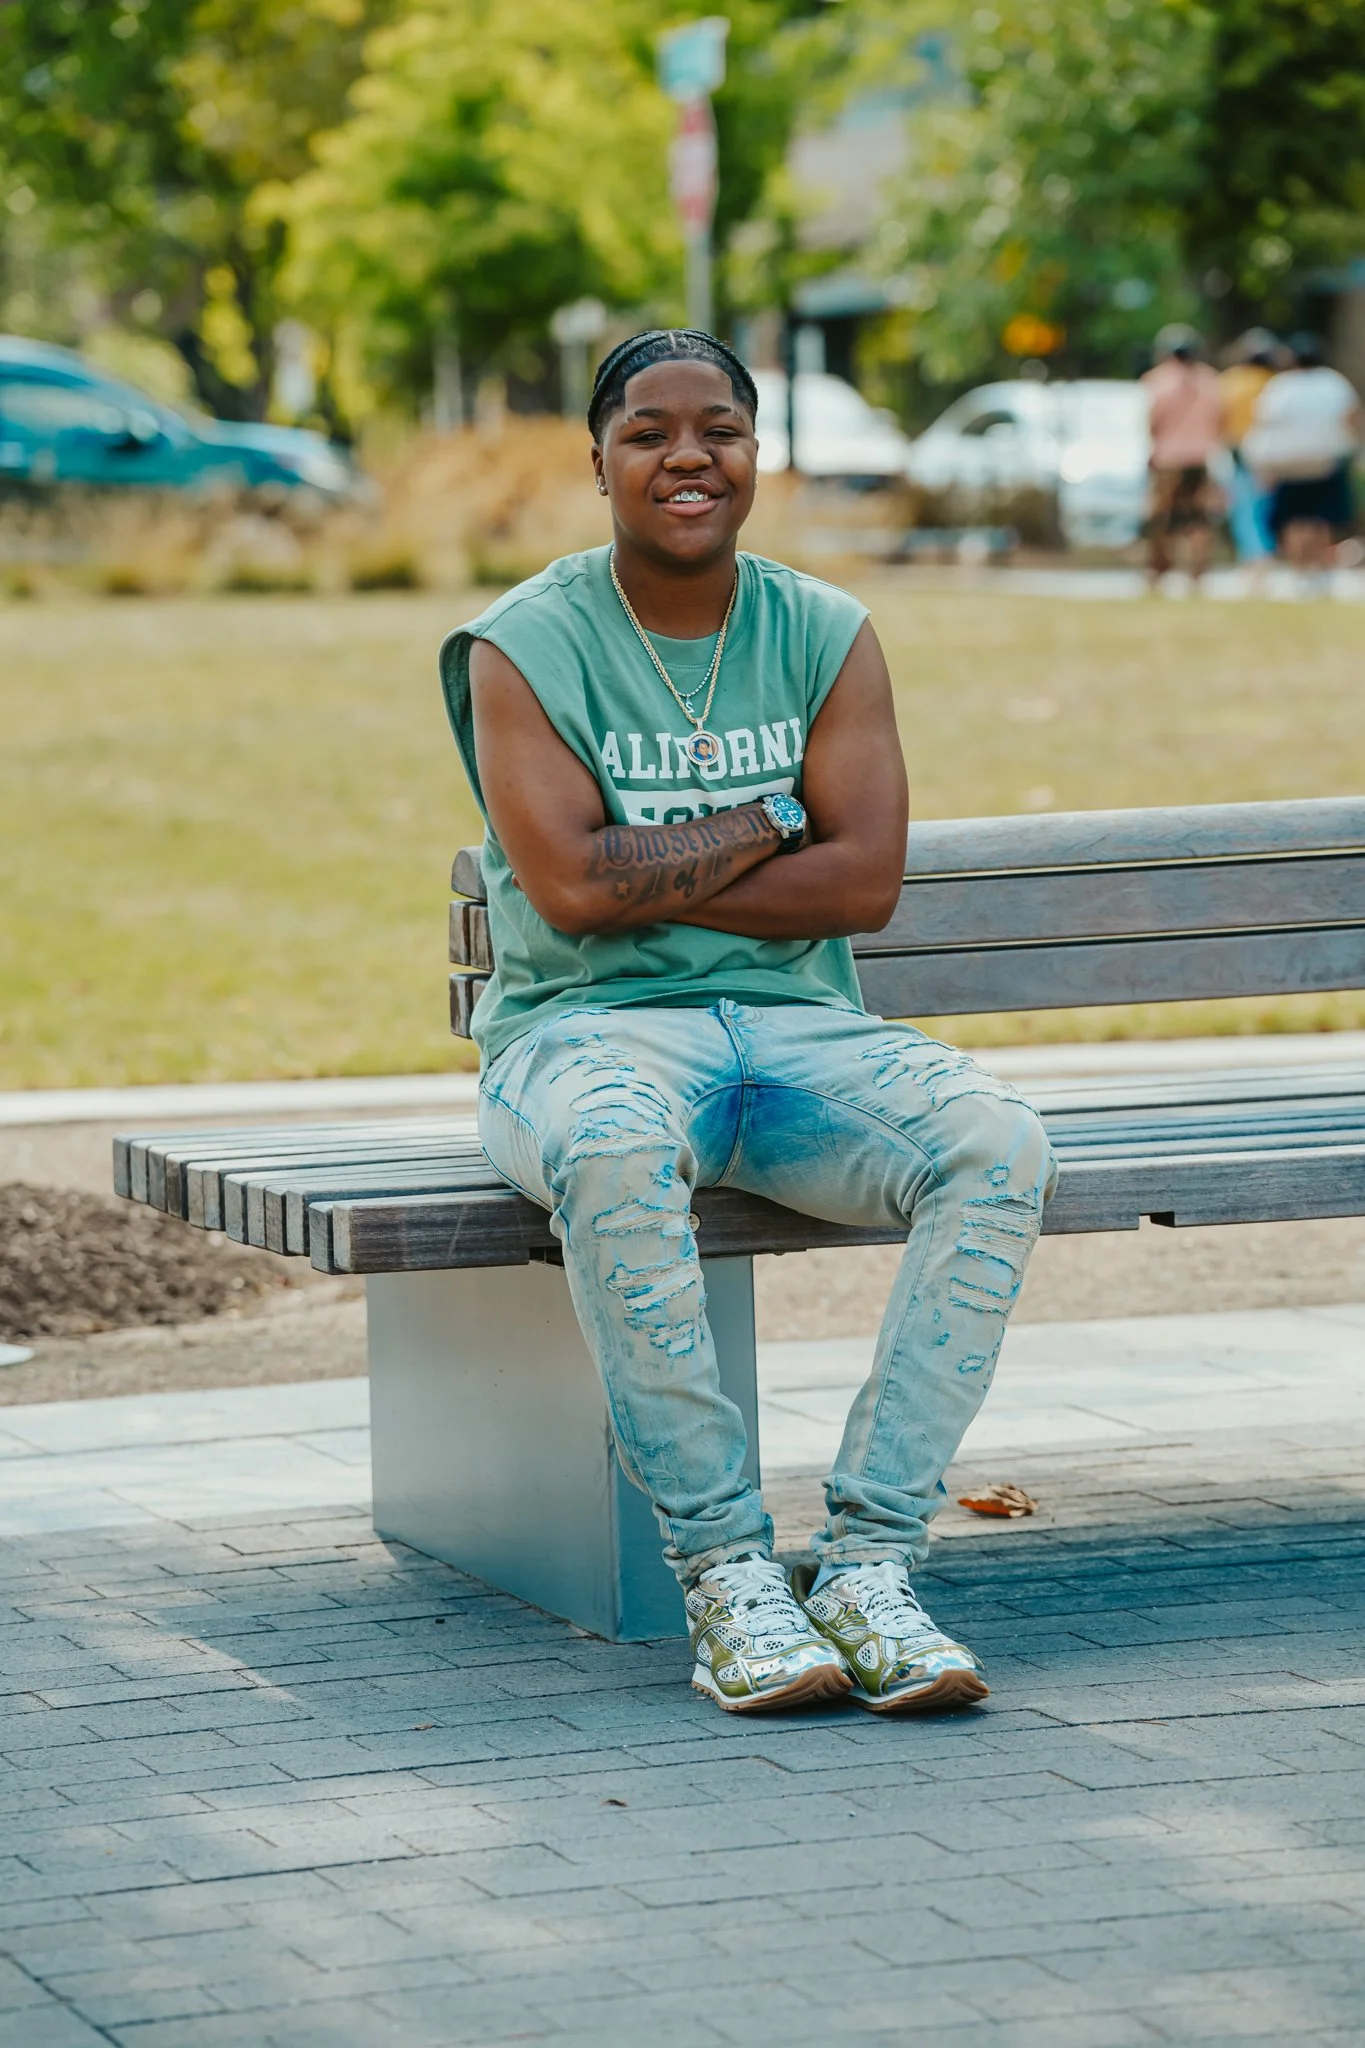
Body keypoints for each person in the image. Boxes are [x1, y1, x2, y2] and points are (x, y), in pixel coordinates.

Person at [439, 329, 1055, 1716]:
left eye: (718, 427)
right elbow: (568, 896)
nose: (686, 456)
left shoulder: (822, 632)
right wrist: (773, 818)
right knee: (608, 1152)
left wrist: (650, 871)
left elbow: (866, 884)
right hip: (583, 1038)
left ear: (756, 452)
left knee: (995, 1141)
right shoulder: (521, 645)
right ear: (595, 457)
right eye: (648, 431)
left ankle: (869, 1566)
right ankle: (725, 1574)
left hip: (799, 1037)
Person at [1245, 333, 1362, 586]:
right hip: (1324, 462)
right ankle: (1318, 569)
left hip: (1289, 466)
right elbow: (1351, 417)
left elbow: (1264, 424)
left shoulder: (1281, 386)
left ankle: (1300, 570)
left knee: (1294, 520)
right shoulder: (1334, 383)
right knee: (1320, 518)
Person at [1140, 324, 1224, 587]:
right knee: (1198, 519)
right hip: (1200, 458)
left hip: (1168, 459)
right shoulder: (1210, 380)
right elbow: (1220, 421)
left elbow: (1152, 422)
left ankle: (1159, 569)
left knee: (1164, 518)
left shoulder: (1158, 380)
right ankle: (1197, 571)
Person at [1219, 329, 1280, 581]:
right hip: (1271, 454)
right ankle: (1263, 553)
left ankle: (1254, 556)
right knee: (1264, 507)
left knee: (1244, 507)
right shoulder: (1276, 382)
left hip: (1239, 451)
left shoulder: (1230, 381)